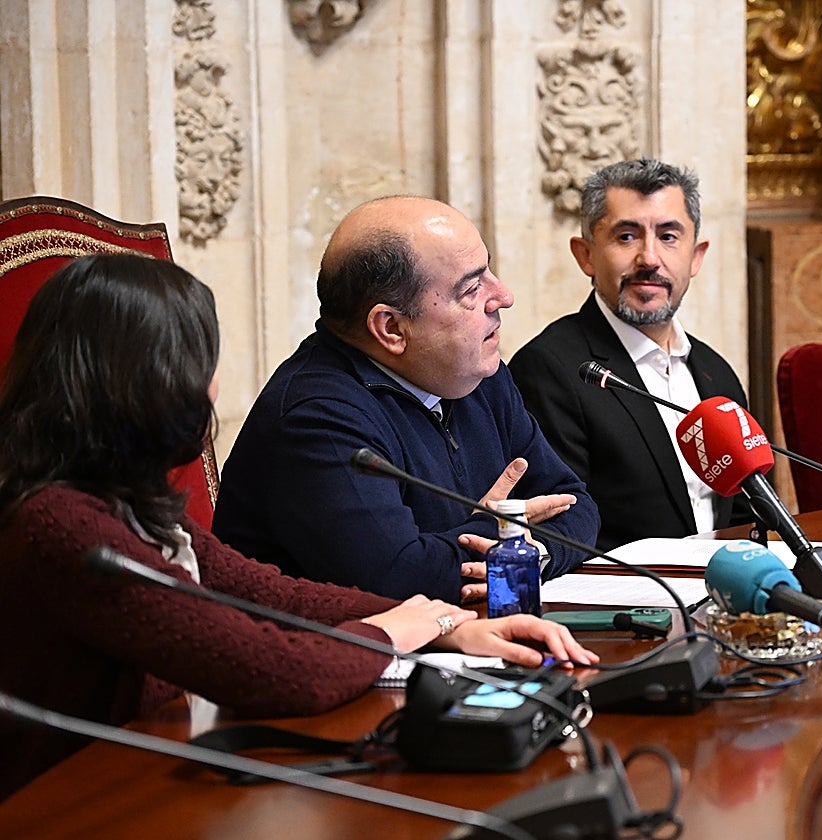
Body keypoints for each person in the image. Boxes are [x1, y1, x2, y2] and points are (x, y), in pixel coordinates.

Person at [0, 254, 598, 800]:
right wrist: (396, 630)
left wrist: (445, 627)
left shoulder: (118, 501)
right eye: (200, 362)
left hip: (138, 780)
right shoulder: (62, 525)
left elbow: (269, 592)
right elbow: (272, 670)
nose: (211, 387)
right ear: (144, 381)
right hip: (66, 804)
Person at [212, 196, 600, 603]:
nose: (503, 295)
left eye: (489, 271)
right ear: (391, 328)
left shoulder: (475, 373)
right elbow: (398, 580)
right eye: (471, 288)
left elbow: (576, 505)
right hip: (340, 658)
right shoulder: (316, 417)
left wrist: (530, 553)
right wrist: (502, 534)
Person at [509, 159, 752, 551]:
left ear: (696, 256)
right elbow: (560, 529)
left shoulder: (714, 372)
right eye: (626, 237)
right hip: (620, 604)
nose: (650, 259)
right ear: (585, 255)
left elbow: (744, 512)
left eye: (669, 236)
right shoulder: (548, 370)